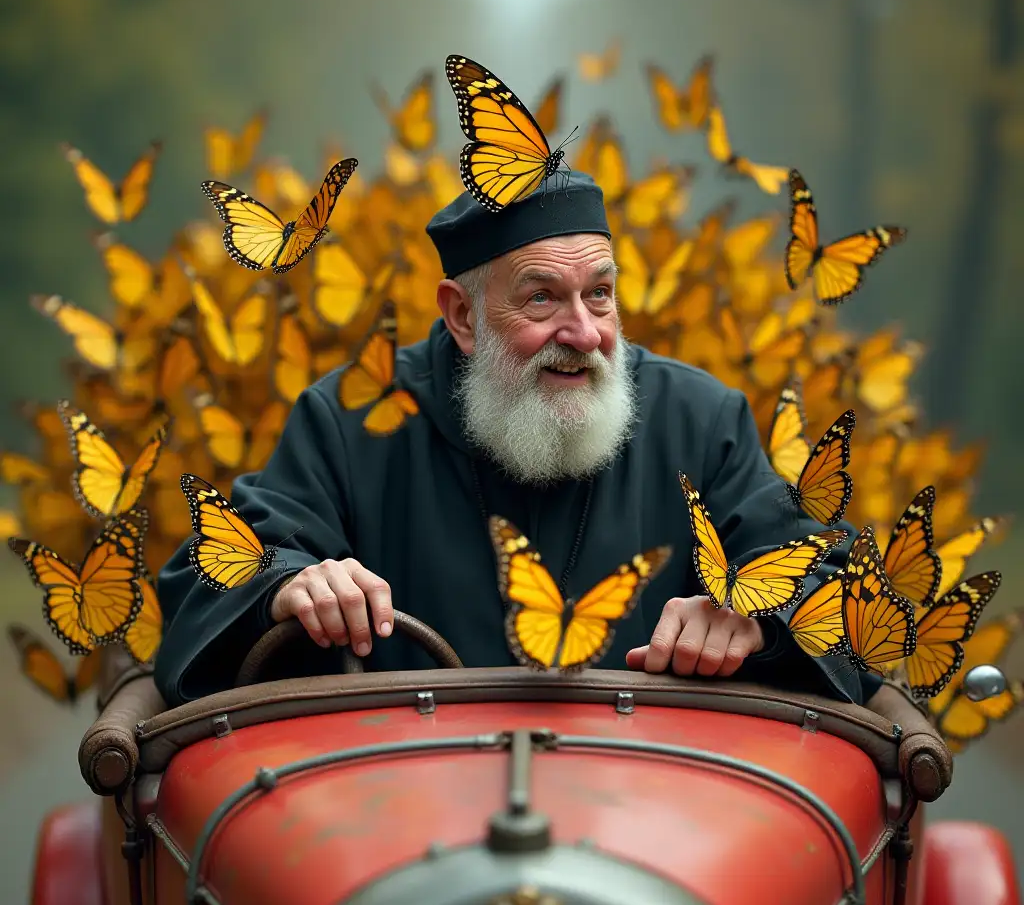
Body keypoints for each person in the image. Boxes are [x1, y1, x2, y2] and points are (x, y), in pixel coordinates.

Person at [154, 171, 881, 708]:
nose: (586, 333)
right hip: (399, 827)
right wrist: (291, 584)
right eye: (542, 297)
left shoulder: (702, 420)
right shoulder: (349, 422)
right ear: (462, 317)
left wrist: (759, 617)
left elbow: (830, 579)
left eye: (599, 294)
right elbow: (216, 571)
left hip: (654, 827)